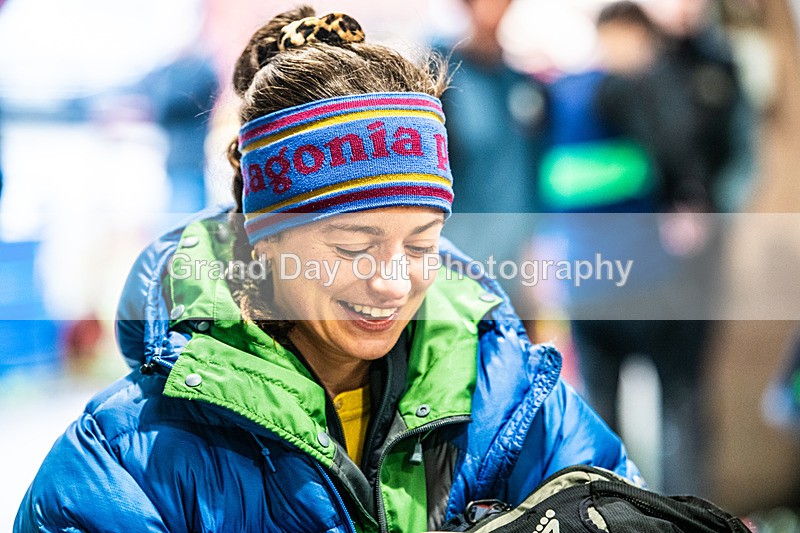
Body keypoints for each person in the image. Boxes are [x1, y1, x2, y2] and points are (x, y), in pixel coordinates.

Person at [14, 7, 639, 532]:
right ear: (264, 238)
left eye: (421, 245)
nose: (393, 283)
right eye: (353, 248)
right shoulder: (127, 462)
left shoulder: (508, 397)